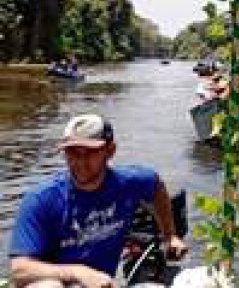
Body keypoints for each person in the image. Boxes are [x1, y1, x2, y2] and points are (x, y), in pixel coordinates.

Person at [8, 113, 188, 288]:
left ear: (110, 151)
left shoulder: (130, 182)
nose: (80, 162)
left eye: (90, 152)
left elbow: (156, 186)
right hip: (55, 281)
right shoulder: (41, 199)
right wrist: (79, 273)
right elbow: (19, 270)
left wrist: (170, 236)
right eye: (72, 152)